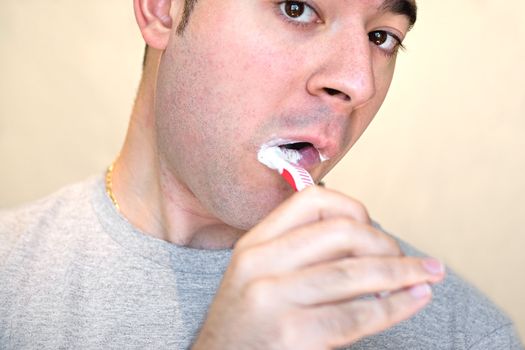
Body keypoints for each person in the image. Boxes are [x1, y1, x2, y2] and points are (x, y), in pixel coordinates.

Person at [0, 0, 522, 348]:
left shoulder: (464, 334)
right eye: (297, 7)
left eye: (382, 36)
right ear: (163, 9)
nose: (356, 81)